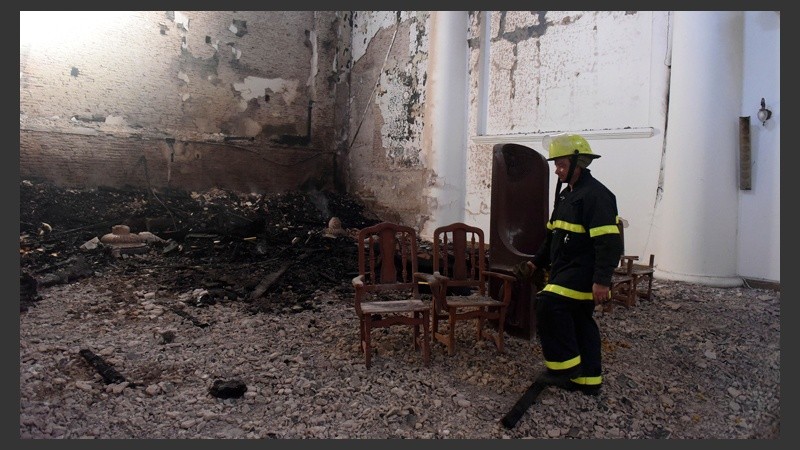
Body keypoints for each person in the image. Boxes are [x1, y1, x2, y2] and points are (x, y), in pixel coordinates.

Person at [517, 133, 623, 396]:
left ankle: (564, 369)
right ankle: (588, 381)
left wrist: (602, 280)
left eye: (562, 165)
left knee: (548, 304)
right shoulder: (567, 196)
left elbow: (609, 243)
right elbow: (551, 236)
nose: (557, 170)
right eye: (557, 165)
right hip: (566, 269)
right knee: (579, 320)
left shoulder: (597, 196)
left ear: (580, 164)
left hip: (584, 272)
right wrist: (534, 264)